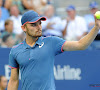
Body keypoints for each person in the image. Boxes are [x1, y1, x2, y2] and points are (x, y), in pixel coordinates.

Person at [7, 10, 100, 90]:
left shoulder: (51, 42)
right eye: (33, 25)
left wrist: (96, 28)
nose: (39, 27)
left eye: (40, 23)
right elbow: (13, 81)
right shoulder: (15, 51)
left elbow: (81, 45)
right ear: (23, 28)